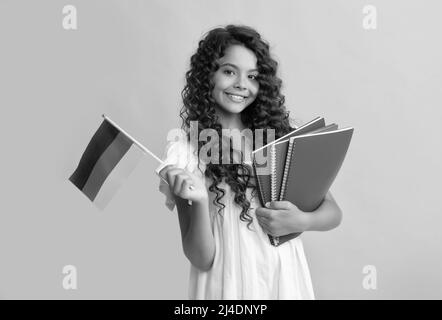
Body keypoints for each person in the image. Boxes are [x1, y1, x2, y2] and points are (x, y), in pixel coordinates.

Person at [157, 25, 343, 300]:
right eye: (229, 71)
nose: (242, 84)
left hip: (284, 278)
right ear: (207, 75)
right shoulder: (188, 150)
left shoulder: (280, 136)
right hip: (227, 283)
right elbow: (200, 258)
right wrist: (197, 201)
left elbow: (333, 213)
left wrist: (300, 220)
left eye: (253, 76)